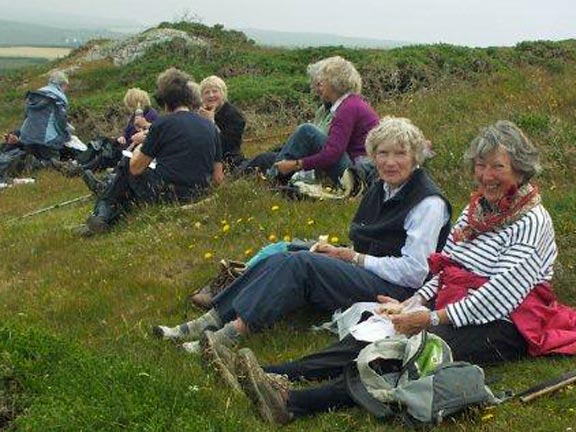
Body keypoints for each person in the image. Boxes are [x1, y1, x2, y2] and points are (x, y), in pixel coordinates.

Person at [225, 120, 576, 425]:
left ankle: (294, 404)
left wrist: (429, 319)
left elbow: (501, 296)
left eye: (497, 167)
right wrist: (410, 304)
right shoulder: (477, 210)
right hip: (456, 303)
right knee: (377, 328)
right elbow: (448, 270)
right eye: (480, 165)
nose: (486, 175)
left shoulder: (531, 220)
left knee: (411, 353)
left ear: (520, 169)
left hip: (506, 322)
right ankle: (279, 373)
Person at [153, 116, 452, 352]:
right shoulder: (382, 186)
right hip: (371, 270)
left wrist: (352, 257)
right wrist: (341, 254)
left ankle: (230, 334)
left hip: (398, 292)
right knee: (285, 254)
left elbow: (415, 272)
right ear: (373, 155)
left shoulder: (427, 203)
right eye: (383, 153)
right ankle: (211, 318)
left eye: (400, 154)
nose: (390, 161)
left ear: (415, 158)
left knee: (300, 265)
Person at [82, 67, 223, 234]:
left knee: (127, 162)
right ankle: (105, 216)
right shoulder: (210, 127)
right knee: (131, 179)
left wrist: (140, 146)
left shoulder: (162, 124)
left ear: (164, 100)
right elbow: (218, 178)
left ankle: (102, 213)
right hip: (199, 192)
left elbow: (136, 168)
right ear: (190, 97)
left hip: (166, 193)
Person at [269, 56, 379, 185]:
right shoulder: (352, 104)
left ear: (334, 82)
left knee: (307, 131)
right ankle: (277, 176)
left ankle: (273, 178)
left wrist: (296, 164)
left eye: (323, 80)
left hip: (355, 172)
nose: (319, 85)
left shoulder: (347, 108)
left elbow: (332, 153)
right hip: (362, 168)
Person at [238, 58, 334, 176]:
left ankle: (263, 179)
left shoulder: (340, 110)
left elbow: (325, 147)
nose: (318, 89)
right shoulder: (322, 110)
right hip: (305, 157)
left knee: (264, 159)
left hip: (311, 162)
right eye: (315, 85)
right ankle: (236, 172)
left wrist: (297, 163)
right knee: (269, 154)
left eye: (321, 84)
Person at [0, 70, 71, 183]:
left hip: (27, 137)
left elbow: (28, 117)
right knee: (53, 165)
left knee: (32, 161)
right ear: (62, 85)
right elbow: (61, 123)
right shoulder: (59, 98)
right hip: (46, 140)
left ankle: (31, 169)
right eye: (66, 86)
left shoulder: (35, 95)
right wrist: (67, 135)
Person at [198, 75, 246, 171]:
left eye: (215, 91)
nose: (211, 95)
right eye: (207, 92)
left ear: (223, 94)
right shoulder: (198, 113)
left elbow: (226, 145)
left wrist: (211, 122)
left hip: (229, 162)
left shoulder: (235, 117)